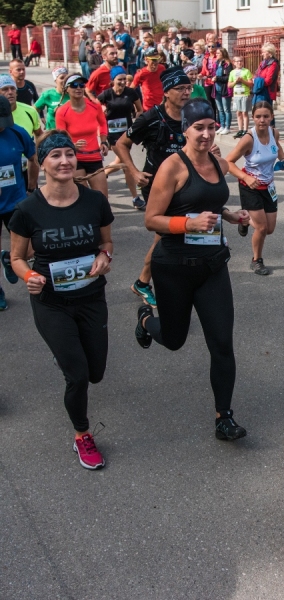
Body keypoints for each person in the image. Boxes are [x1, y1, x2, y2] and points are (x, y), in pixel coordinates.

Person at [134, 98, 249, 442]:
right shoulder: (172, 167)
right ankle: (145, 319)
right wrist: (188, 224)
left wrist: (229, 215)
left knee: (222, 344)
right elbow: (151, 219)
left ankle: (224, 417)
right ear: (185, 129)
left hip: (212, 266)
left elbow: (207, 203)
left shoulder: (218, 162)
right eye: (199, 127)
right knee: (174, 340)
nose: (206, 133)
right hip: (174, 268)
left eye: (211, 126)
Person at [9, 131, 114, 470]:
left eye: (69, 154)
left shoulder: (94, 201)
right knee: (78, 376)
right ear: (42, 163)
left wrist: (104, 257)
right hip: (51, 302)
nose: (65, 161)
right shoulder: (27, 209)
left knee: (95, 372)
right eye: (56, 156)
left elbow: (107, 243)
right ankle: (82, 434)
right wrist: (29, 276)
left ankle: (68, 357)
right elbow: (17, 258)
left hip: (91, 297)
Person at [114, 67, 194, 307]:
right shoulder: (151, 118)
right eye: (180, 88)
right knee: (165, 234)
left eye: (188, 88)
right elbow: (121, 144)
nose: (186, 93)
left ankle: (170, 277)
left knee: (181, 233)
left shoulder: (193, 114)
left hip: (186, 184)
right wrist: (134, 172)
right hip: (157, 187)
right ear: (167, 92)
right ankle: (143, 281)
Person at [226, 101, 284, 276]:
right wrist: (246, 177)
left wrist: (283, 159)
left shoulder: (274, 132)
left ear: (271, 117)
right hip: (250, 186)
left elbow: (278, 146)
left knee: (270, 229)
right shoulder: (248, 139)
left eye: (266, 116)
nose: (262, 120)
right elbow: (228, 162)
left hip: (269, 186)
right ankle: (256, 260)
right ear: (252, 118)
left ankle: (244, 220)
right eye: (258, 116)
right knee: (261, 228)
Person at [0, 96, 38, 311]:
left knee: (29, 250)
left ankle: (7, 257)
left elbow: (33, 159)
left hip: (15, 201)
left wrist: (31, 187)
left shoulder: (17, 132)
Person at [55, 74, 109, 198]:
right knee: (83, 198)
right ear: (66, 89)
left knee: (102, 198)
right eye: (74, 85)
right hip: (75, 159)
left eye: (81, 85)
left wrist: (103, 141)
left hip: (94, 157)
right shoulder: (62, 111)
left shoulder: (94, 106)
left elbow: (102, 123)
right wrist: (72, 146)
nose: (78, 88)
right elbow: (61, 138)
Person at [97, 66, 144, 209]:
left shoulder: (131, 93)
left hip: (127, 133)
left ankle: (103, 173)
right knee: (127, 164)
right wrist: (102, 109)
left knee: (120, 160)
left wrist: (137, 122)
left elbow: (140, 109)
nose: (123, 82)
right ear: (113, 80)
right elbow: (95, 108)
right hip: (112, 134)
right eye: (120, 79)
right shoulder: (106, 94)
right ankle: (135, 198)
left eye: (125, 79)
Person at [0, 74, 42, 140]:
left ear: (16, 92)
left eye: (13, 88)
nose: (10, 92)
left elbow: (40, 135)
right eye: (5, 89)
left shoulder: (30, 111)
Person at [132, 47, 166, 112]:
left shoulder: (162, 68)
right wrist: (136, 106)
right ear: (146, 60)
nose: (155, 62)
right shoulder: (141, 74)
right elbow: (131, 90)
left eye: (157, 59)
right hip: (148, 109)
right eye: (153, 60)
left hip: (162, 106)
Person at [253, 43, 279, 124]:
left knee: (266, 113)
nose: (262, 54)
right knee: (258, 111)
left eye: (264, 52)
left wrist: (256, 81)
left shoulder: (273, 64)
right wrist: (255, 79)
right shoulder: (262, 63)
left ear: (270, 53)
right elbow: (256, 74)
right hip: (259, 90)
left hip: (267, 92)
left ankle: (270, 129)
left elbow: (268, 80)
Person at [229, 56, 253, 139]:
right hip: (236, 95)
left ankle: (245, 130)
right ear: (234, 63)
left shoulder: (246, 71)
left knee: (244, 113)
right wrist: (235, 81)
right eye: (237, 61)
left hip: (244, 94)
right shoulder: (232, 72)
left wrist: (243, 80)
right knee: (238, 113)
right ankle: (240, 130)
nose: (239, 63)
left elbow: (251, 83)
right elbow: (229, 85)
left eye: (241, 61)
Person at [214, 47, 233, 135]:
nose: (216, 55)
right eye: (216, 53)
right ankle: (222, 125)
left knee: (226, 109)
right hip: (216, 88)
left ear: (223, 54)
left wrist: (217, 78)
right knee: (220, 109)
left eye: (218, 53)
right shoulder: (217, 63)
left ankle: (227, 127)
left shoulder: (227, 64)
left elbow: (228, 78)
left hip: (225, 89)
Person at [200, 41, 218, 113]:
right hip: (207, 81)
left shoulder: (217, 57)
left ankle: (218, 119)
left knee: (216, 102)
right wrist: (201, 74)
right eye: (209, 46)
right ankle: (212, 117)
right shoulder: (205, 57)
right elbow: (203, 70)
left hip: (215, 81)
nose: (211, 48)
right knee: (209, 101)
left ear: (215, 47)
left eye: (212, 46)